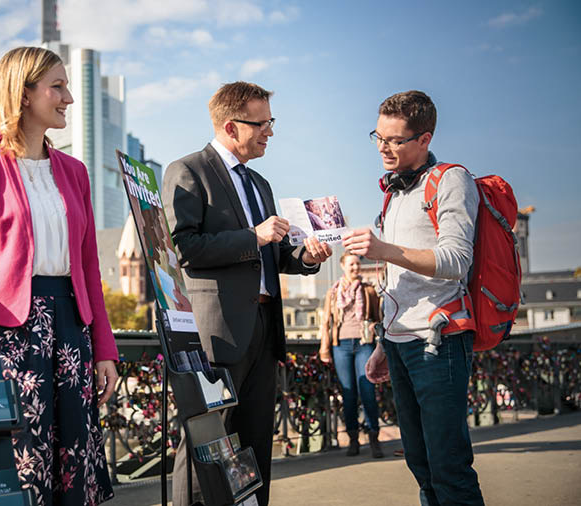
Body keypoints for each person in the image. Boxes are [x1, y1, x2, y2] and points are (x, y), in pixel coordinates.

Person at [0, 46, 118, 506]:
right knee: (19, 455)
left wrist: (104, 349)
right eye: (58, 86)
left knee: (75, 452)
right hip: (7, 331)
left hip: (72, 324)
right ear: (23, 94)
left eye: (68, 86)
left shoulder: (75, 171)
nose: (68, 97)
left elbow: (89, 268)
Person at [162, 81, 332, 506]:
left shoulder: (260, 183)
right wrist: (251, 236)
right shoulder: (187, 171)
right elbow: (183, 248)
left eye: (270, 122)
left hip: (264, 327)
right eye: (262, 124)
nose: (269, 132)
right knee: (206, 441)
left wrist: (307, 257)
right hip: (216, 331)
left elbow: (275, 256)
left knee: (256, 440)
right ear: (230, 126)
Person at [343, 90, 484, 505]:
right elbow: (398, 280)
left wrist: (382, 248)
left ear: (424, 139)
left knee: (449, 466)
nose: (383, 148)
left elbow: (457, 259)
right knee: (421, 465)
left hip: (439, 342)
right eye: (378, 137)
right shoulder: (394, 190)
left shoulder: (451, 180)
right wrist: (385, 342)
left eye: (395, 140)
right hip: (402, 344)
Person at [319, 252, 383, 458]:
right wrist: (325, 348)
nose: (355, 268)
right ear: (343, 266)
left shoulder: (369, 290)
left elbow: (378, 317)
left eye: (357, 264)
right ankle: (353, 439)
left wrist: (374, 327)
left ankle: (374, 438)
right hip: (341, 346)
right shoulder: (333, 292)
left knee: (367, 390)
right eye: (351, 264)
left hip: (365, 344)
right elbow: (326, 322)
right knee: (348, 394)